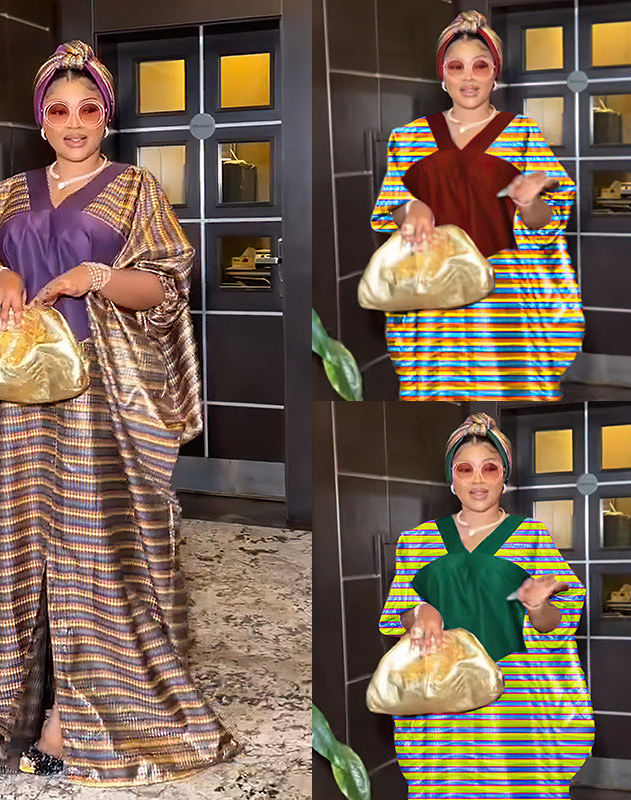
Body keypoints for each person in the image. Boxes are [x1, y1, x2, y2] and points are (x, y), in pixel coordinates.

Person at [0, 40, 238, 786]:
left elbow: (168, 289)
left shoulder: (135, 189)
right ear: (39, 120)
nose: (73, 122)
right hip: (17, 401)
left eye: (88, 110)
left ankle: (78, 718)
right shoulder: (2, 197)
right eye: (59, 110)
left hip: (99, 404)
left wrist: (97, 274)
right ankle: (31, 704)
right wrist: (6, 274)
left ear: (105, 120)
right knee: (21, 552)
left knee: (96, 553)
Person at [378, 413, 594, 799]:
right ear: (452, 479)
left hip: (512, 701)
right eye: (466, 469)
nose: (478, 480)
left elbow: (556, 624)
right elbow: (400, 610)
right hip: (442, 699)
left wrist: (538, 605)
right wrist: (420, 612)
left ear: (504, 477)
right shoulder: (418, 540)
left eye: (489, 468)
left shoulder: (531, 536)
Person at [370, 10, 584, 401]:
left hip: (505, 300)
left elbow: (546, 223)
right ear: (442, 75)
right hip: (434, 299)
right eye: (457, 66)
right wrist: (412, 208)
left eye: (480, 66)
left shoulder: (523, 133)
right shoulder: (409, 137)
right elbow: (391, 208)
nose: (468, 77)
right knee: (437, 394)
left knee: (506, 389)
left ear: (495, 74)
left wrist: (531, 200)